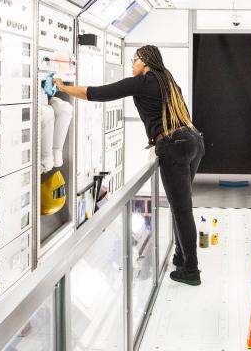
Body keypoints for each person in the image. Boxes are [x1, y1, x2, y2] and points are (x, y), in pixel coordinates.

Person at [55, 45, 205, 286]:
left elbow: (97, 93)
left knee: (182, 209)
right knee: (182, 205)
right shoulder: (168, 80)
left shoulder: (143, 82)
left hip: (174, 146)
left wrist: (63, 88)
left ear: (145, 61)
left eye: (134, 60)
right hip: (194, 141)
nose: (132, 64)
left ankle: (192, 270)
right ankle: (181, 256)